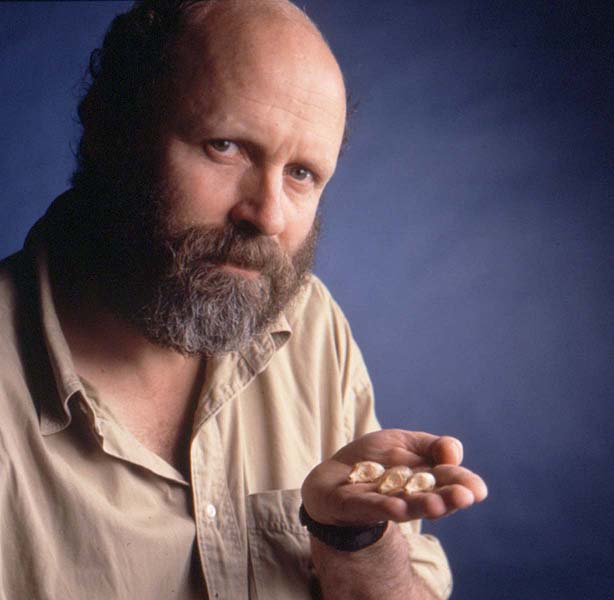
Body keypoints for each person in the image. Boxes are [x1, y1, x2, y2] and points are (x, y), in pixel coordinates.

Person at [0, 1, 487, 598]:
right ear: (109, 129)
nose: (268, 215)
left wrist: (351, 538)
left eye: (302, 173)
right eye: (225, 146)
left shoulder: (309, 326)